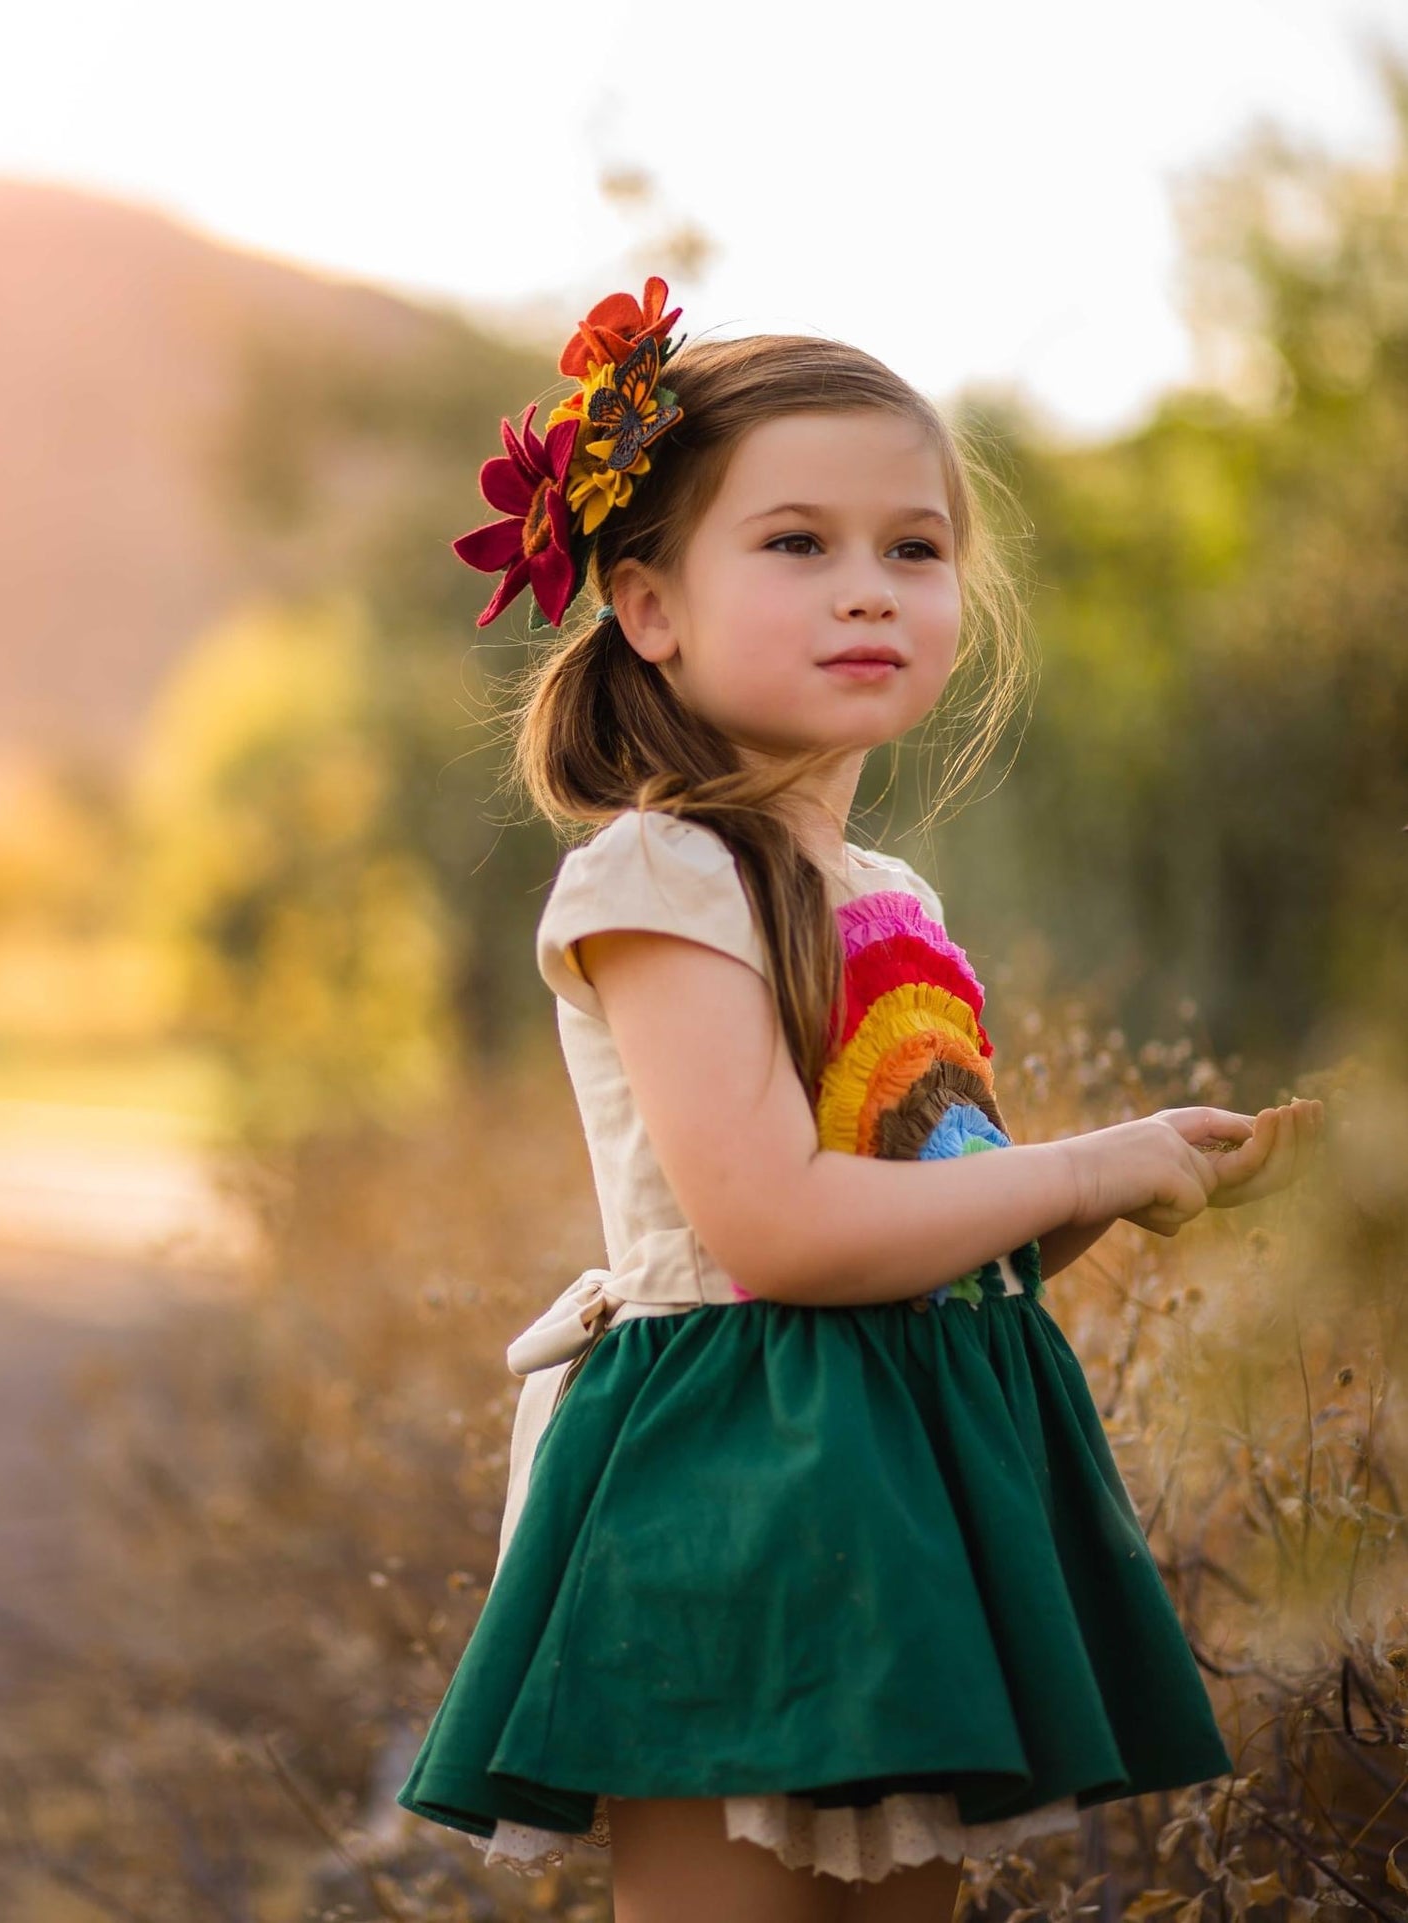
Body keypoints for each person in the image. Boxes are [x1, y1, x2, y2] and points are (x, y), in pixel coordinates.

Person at [395, 275, 1325, 1921]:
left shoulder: (887, 895)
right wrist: (1078, 1159)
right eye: (795, 543)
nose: (867, 590)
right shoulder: (661, 878)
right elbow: (779, 1234)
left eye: (913, 548)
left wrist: (1121, 1181)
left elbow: (934, 1235)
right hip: (730, 1483)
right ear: (647, 603)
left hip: (903, 1485)